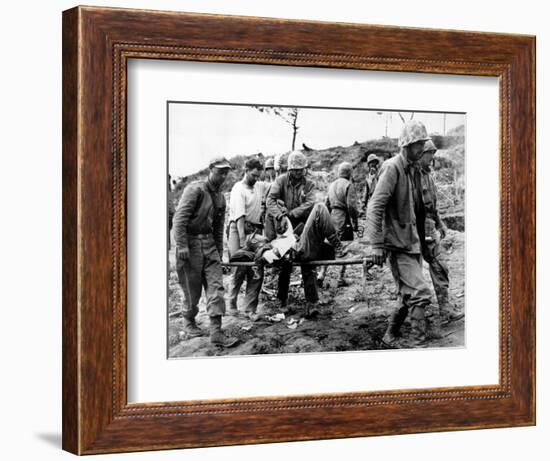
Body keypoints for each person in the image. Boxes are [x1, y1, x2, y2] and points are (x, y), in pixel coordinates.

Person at [366, 120, 442, 345]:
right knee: (420, 292)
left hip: (413, 243)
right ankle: (418, 342)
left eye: (423, 143)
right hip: (398, 245)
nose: (422, 148)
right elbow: (375, 206)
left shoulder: (413, 170)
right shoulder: (393, 167)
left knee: (406, 294)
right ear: (407, 144)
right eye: (418, 143)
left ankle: (389, 335)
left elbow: (420, 208)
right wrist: (376, 244)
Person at [172, 156, 236, 347]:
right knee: (192, 291)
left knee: (216, 288)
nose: (223, 175)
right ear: (210, 169)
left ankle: (216, 332)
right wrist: (182, 245)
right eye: (220, 171)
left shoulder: (220, 198)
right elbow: (179, 220)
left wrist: (219, 253)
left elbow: (218, 228)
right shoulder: (195, 189)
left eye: (226, 172)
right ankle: (189, 321)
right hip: (190, 247)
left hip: (209, 247)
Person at [266, 150, 319, 312]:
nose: (297, 173)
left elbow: (311, 203)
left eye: (300, 170)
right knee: (286, 262)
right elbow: (270, 200)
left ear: (304, 169)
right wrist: (281, 216)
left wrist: (293, 213)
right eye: (294, 170)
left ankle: (312, 303)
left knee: (307, 260)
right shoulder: (281, 181)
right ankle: (282, 302)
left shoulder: (309, 184)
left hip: (303, 225)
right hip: (284, 227)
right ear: (289, 170)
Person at [419, 140, 457, 320]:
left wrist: (440, 223)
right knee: (410, 274)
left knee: (440, 266)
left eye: (433, 154)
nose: (432, 158)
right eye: (429, 154)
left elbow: (432, 205)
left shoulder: (428, 175)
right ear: (420, 153)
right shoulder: (412, 175)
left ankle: (445, 309)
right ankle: (413, 317)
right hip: (413, 230)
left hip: (428, 227)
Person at [227, 158, 265, 320]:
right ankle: (232, 302)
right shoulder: (238, 189)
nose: (256, 178)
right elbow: (240, 216)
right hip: (239, 229)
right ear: (246, 171)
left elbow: (274, 186)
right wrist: (243, 241)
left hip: (255, 229)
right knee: (240, 266)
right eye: (253, 175)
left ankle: (250, 308)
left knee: (257, 267)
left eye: (258, 176)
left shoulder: (258, 186)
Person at [317, 161, 359, 286]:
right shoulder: (348, 185)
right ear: (349, 173)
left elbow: (326, 204)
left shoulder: (332, 185)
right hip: (343, 218)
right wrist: (355, 222)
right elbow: (351, 206)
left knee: (329, 245)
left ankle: (321, 275)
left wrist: (326, 220)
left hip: (332, 217)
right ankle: (340, 278)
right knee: (344, 247)